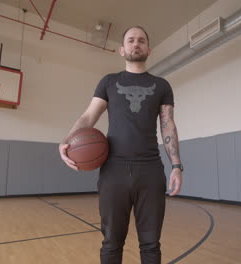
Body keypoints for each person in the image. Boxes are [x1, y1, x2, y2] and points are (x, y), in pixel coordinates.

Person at [59, 26, 183, 264]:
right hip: (113, 171)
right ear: (122, 49)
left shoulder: (162, 86)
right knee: (112, 242)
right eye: (131, 40)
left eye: (141, 40)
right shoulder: (109, 82)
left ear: (149, 49)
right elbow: (88, 117)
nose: (136, 44)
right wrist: (65, 141)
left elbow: (168, 125)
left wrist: (176, 165)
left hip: (150, 170)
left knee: (151, 244)